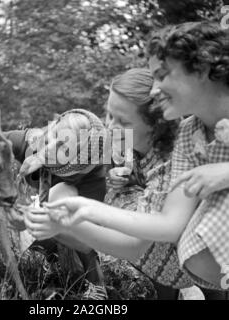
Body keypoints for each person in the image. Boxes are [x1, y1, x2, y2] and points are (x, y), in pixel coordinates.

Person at [25, 22, 229, 292]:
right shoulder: (190, 134)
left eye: (162, 75)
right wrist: (81, 210)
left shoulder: (175, 147)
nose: (155, 90)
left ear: (201, 69)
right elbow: (170, 224)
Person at [23, 68, 194, 299]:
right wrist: (40, 155)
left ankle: (167, 293)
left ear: (156, 125)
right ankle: (58, 266)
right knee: (63, 193)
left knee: (74, 206)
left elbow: (134, 244)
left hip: (171, 259)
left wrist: (65, 224)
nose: (111, 125)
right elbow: (77, 149)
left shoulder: (172, 166)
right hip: (140, 230)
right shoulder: (129, 139)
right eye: (109, 115)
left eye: (122, 120)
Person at [5, 108, 108, 300]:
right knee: (36, 217)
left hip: (69, 221)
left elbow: (87, 241)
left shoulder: (92, 183)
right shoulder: (36, 140)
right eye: (54, 134)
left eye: (63, 147)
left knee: (58, 197)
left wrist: (30, 222)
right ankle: (55, 259)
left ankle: (96, 284)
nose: (49, 146)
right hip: (45, 215)